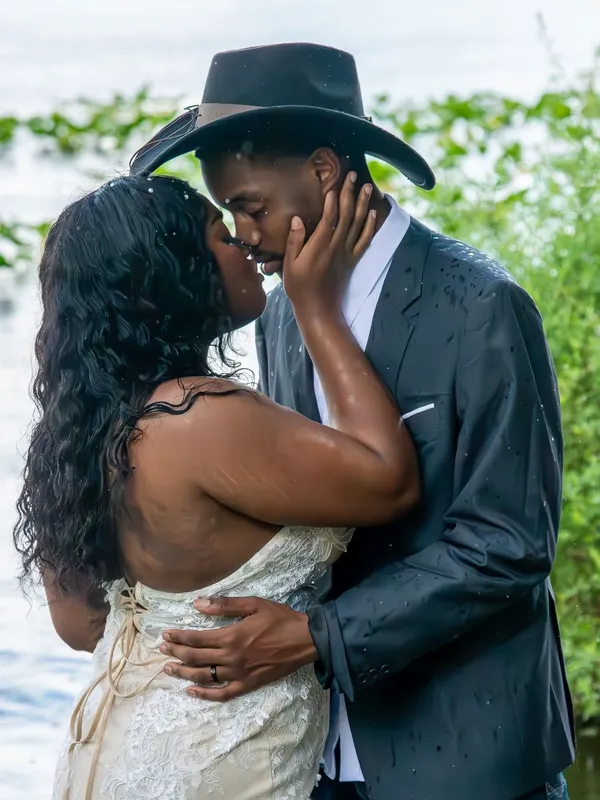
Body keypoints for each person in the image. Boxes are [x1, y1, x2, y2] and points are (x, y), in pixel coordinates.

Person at [129, 43, 575, 800]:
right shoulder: (281, 319)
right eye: (228, 211)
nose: (238, 235)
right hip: (317, 754)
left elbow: (510, 543)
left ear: (326, 172)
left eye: (249, 205)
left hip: (467, 758)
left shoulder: (480, 309)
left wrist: (313, 638)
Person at [13, 173, 421, 799]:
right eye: (218, 234)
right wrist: (317, 308)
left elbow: (79, 625)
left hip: (121, 746)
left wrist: (171, 613)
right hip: (217, 756)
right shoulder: (197, 415)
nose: (243, 242)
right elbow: (389, 483)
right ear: (172, 277)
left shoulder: (82, 429)